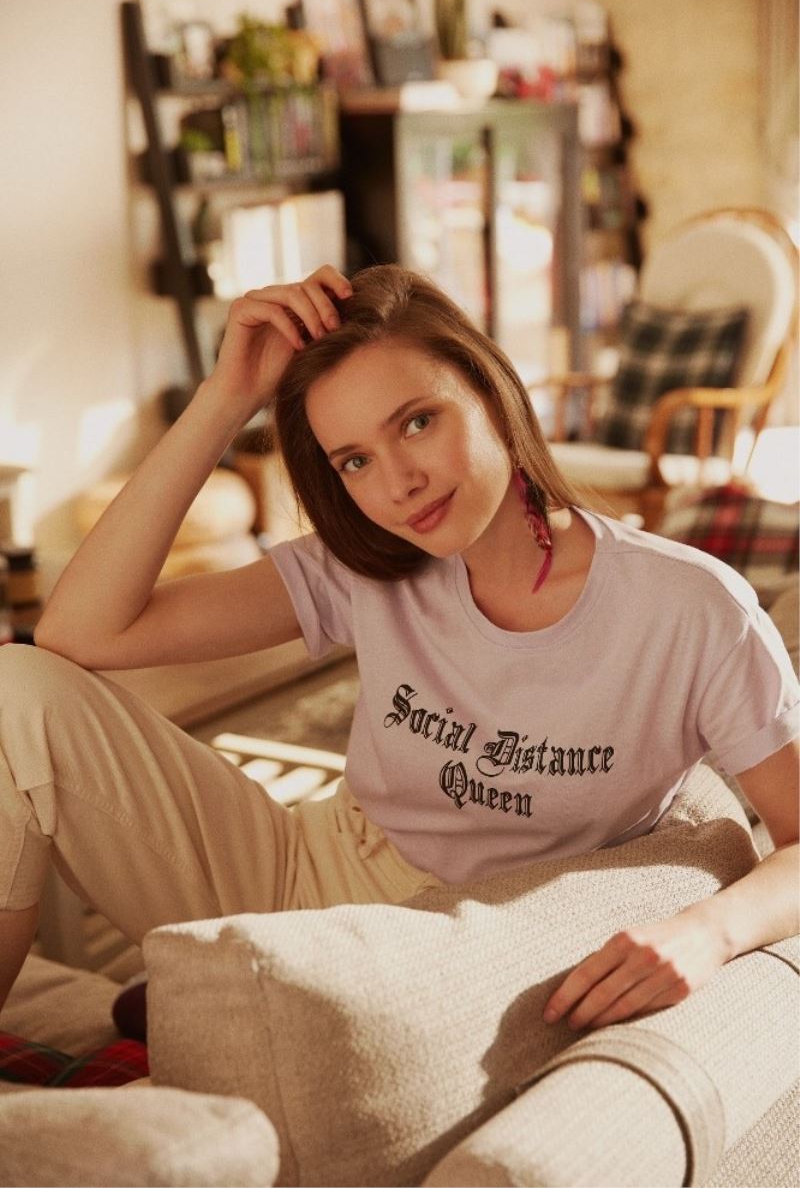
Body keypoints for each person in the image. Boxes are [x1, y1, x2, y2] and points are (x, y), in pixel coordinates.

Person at [1, 263, 797, 1034]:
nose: (397, 484)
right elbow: (81, 632)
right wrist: (227, 397)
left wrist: (711, 930)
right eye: (355, 461)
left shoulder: (691, 610)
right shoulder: (365, 566)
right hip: (301, 873)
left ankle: (217, 995)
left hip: (448, 954)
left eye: (417, 422)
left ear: (490, 390)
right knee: (16, 689)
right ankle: (213, 992)